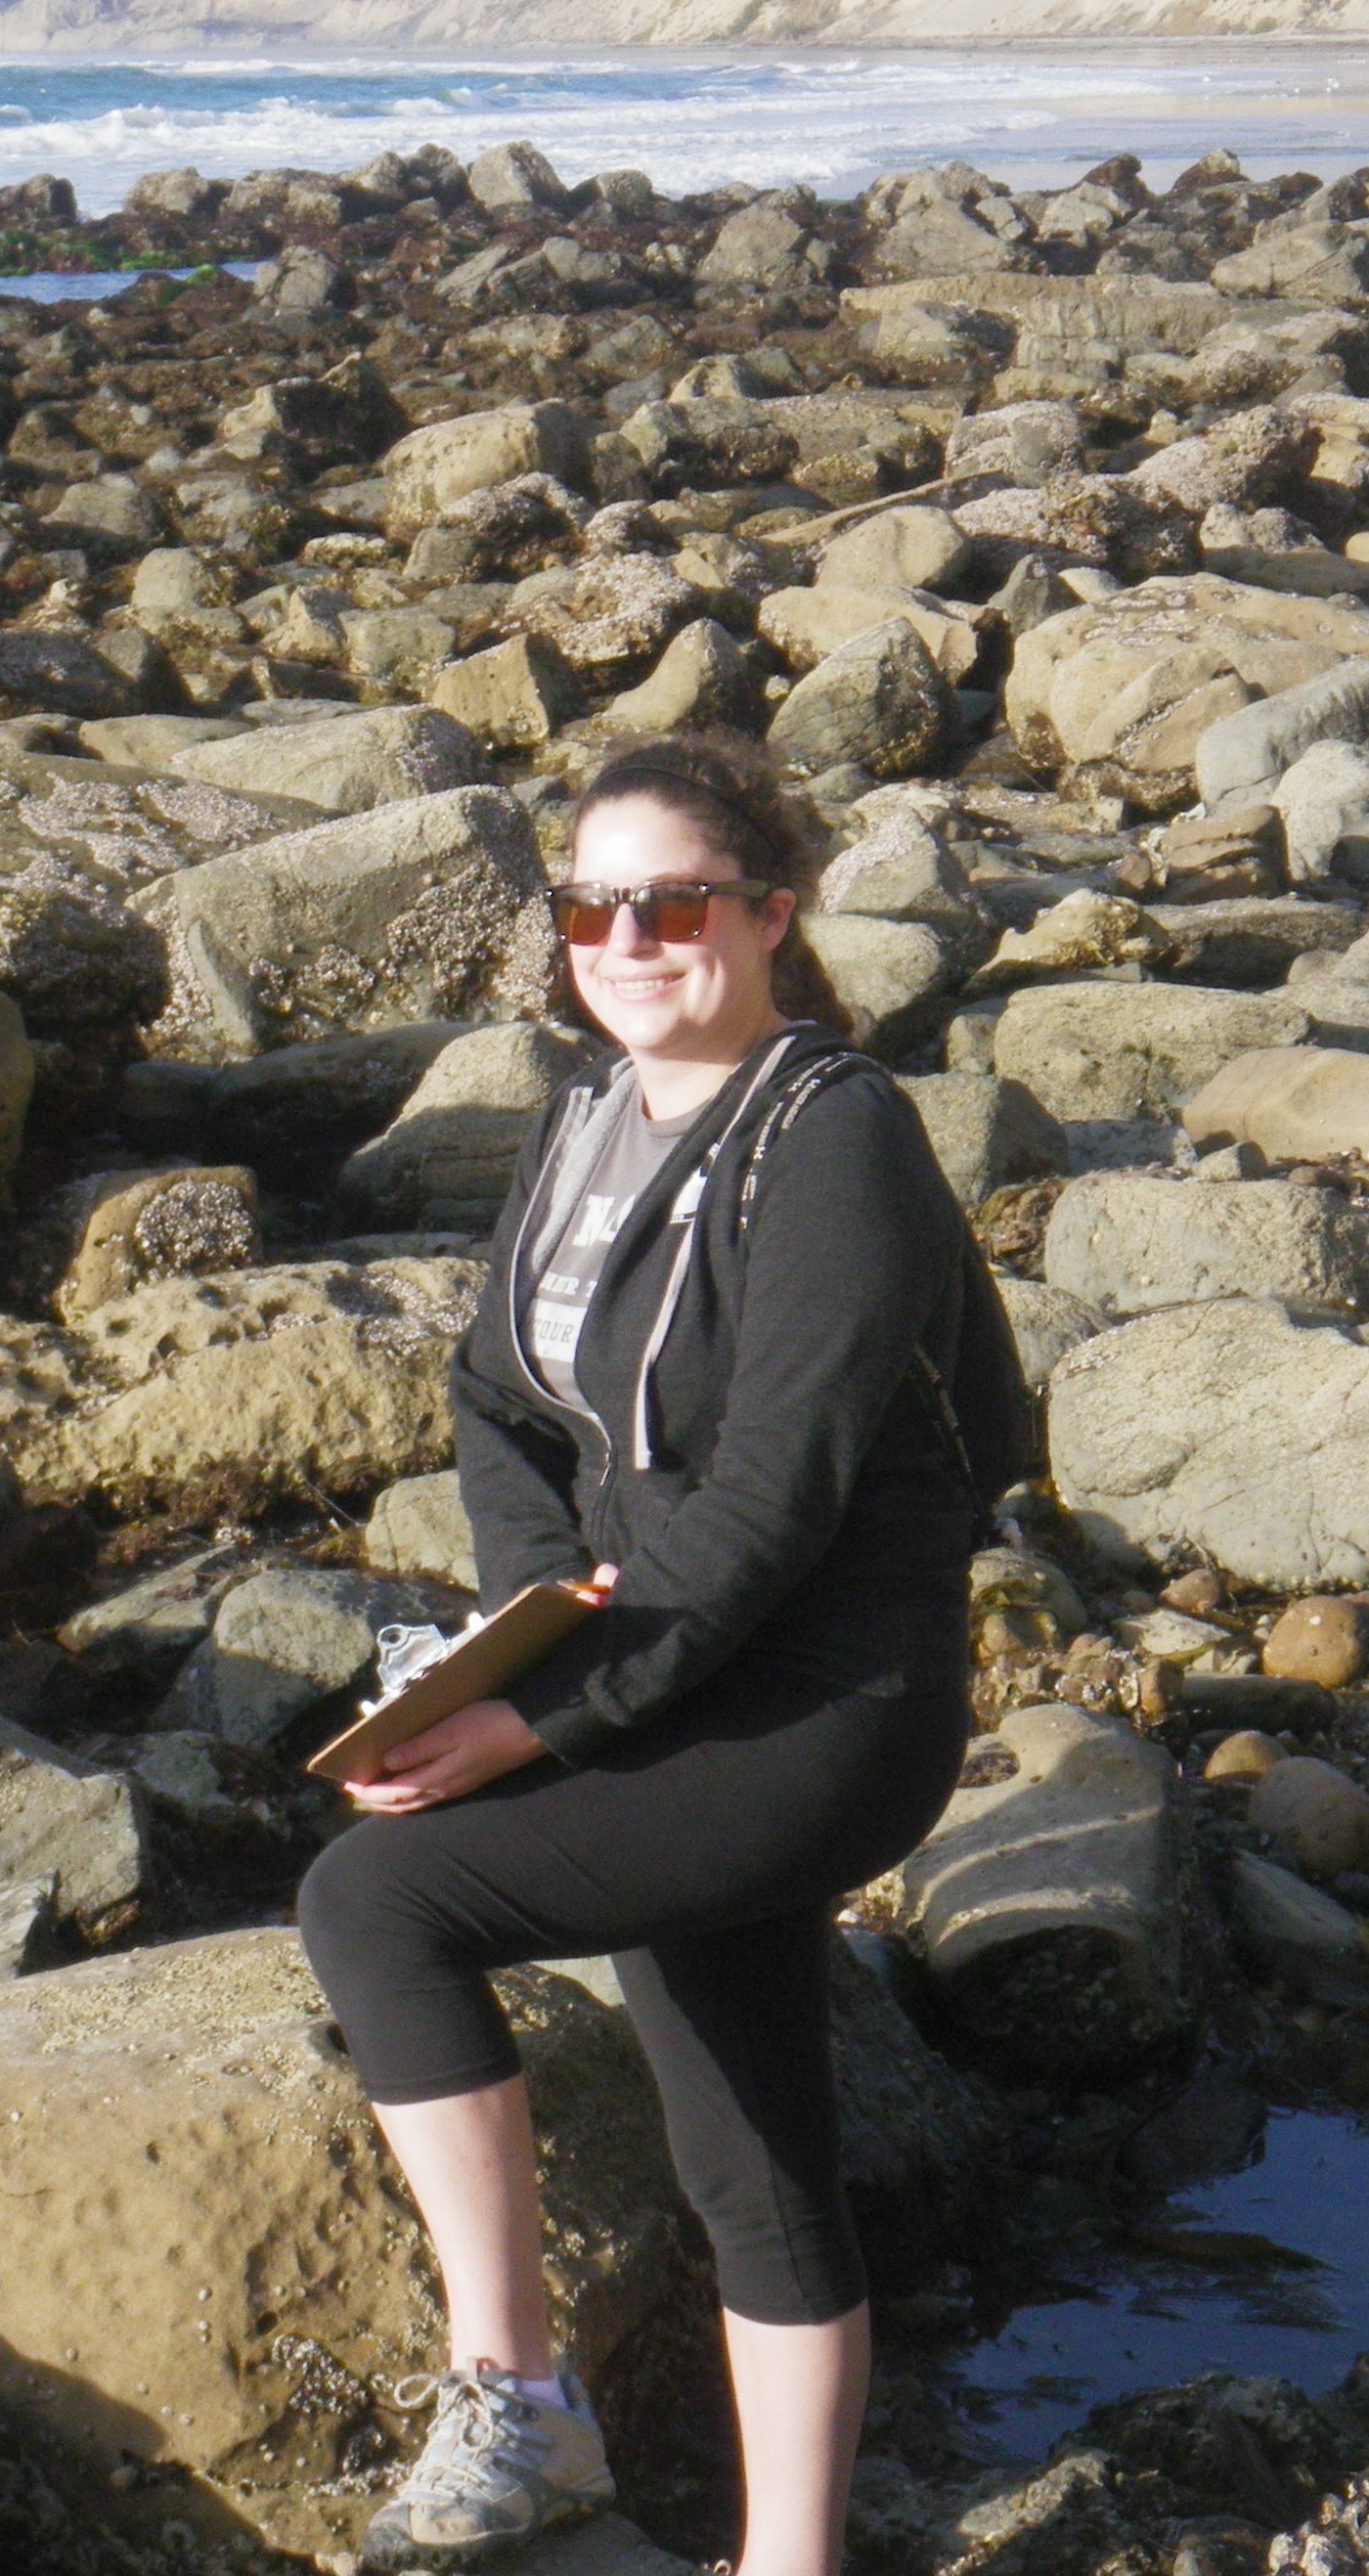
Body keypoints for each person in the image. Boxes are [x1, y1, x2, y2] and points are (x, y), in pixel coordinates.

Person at [295, 733, 1030, 2576]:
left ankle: (522, 2408)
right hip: (671, 1664)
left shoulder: (833, 1135)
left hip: (824, 1705)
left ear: (772, 914)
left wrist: (540, 1720)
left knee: (378, 1906)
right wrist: (539, 1622)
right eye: (590, 908)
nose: (627, 939)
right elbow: (497, 1406)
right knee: (748, 2132)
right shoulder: (584, 1112)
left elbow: (778, 1504)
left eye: (673, 902)